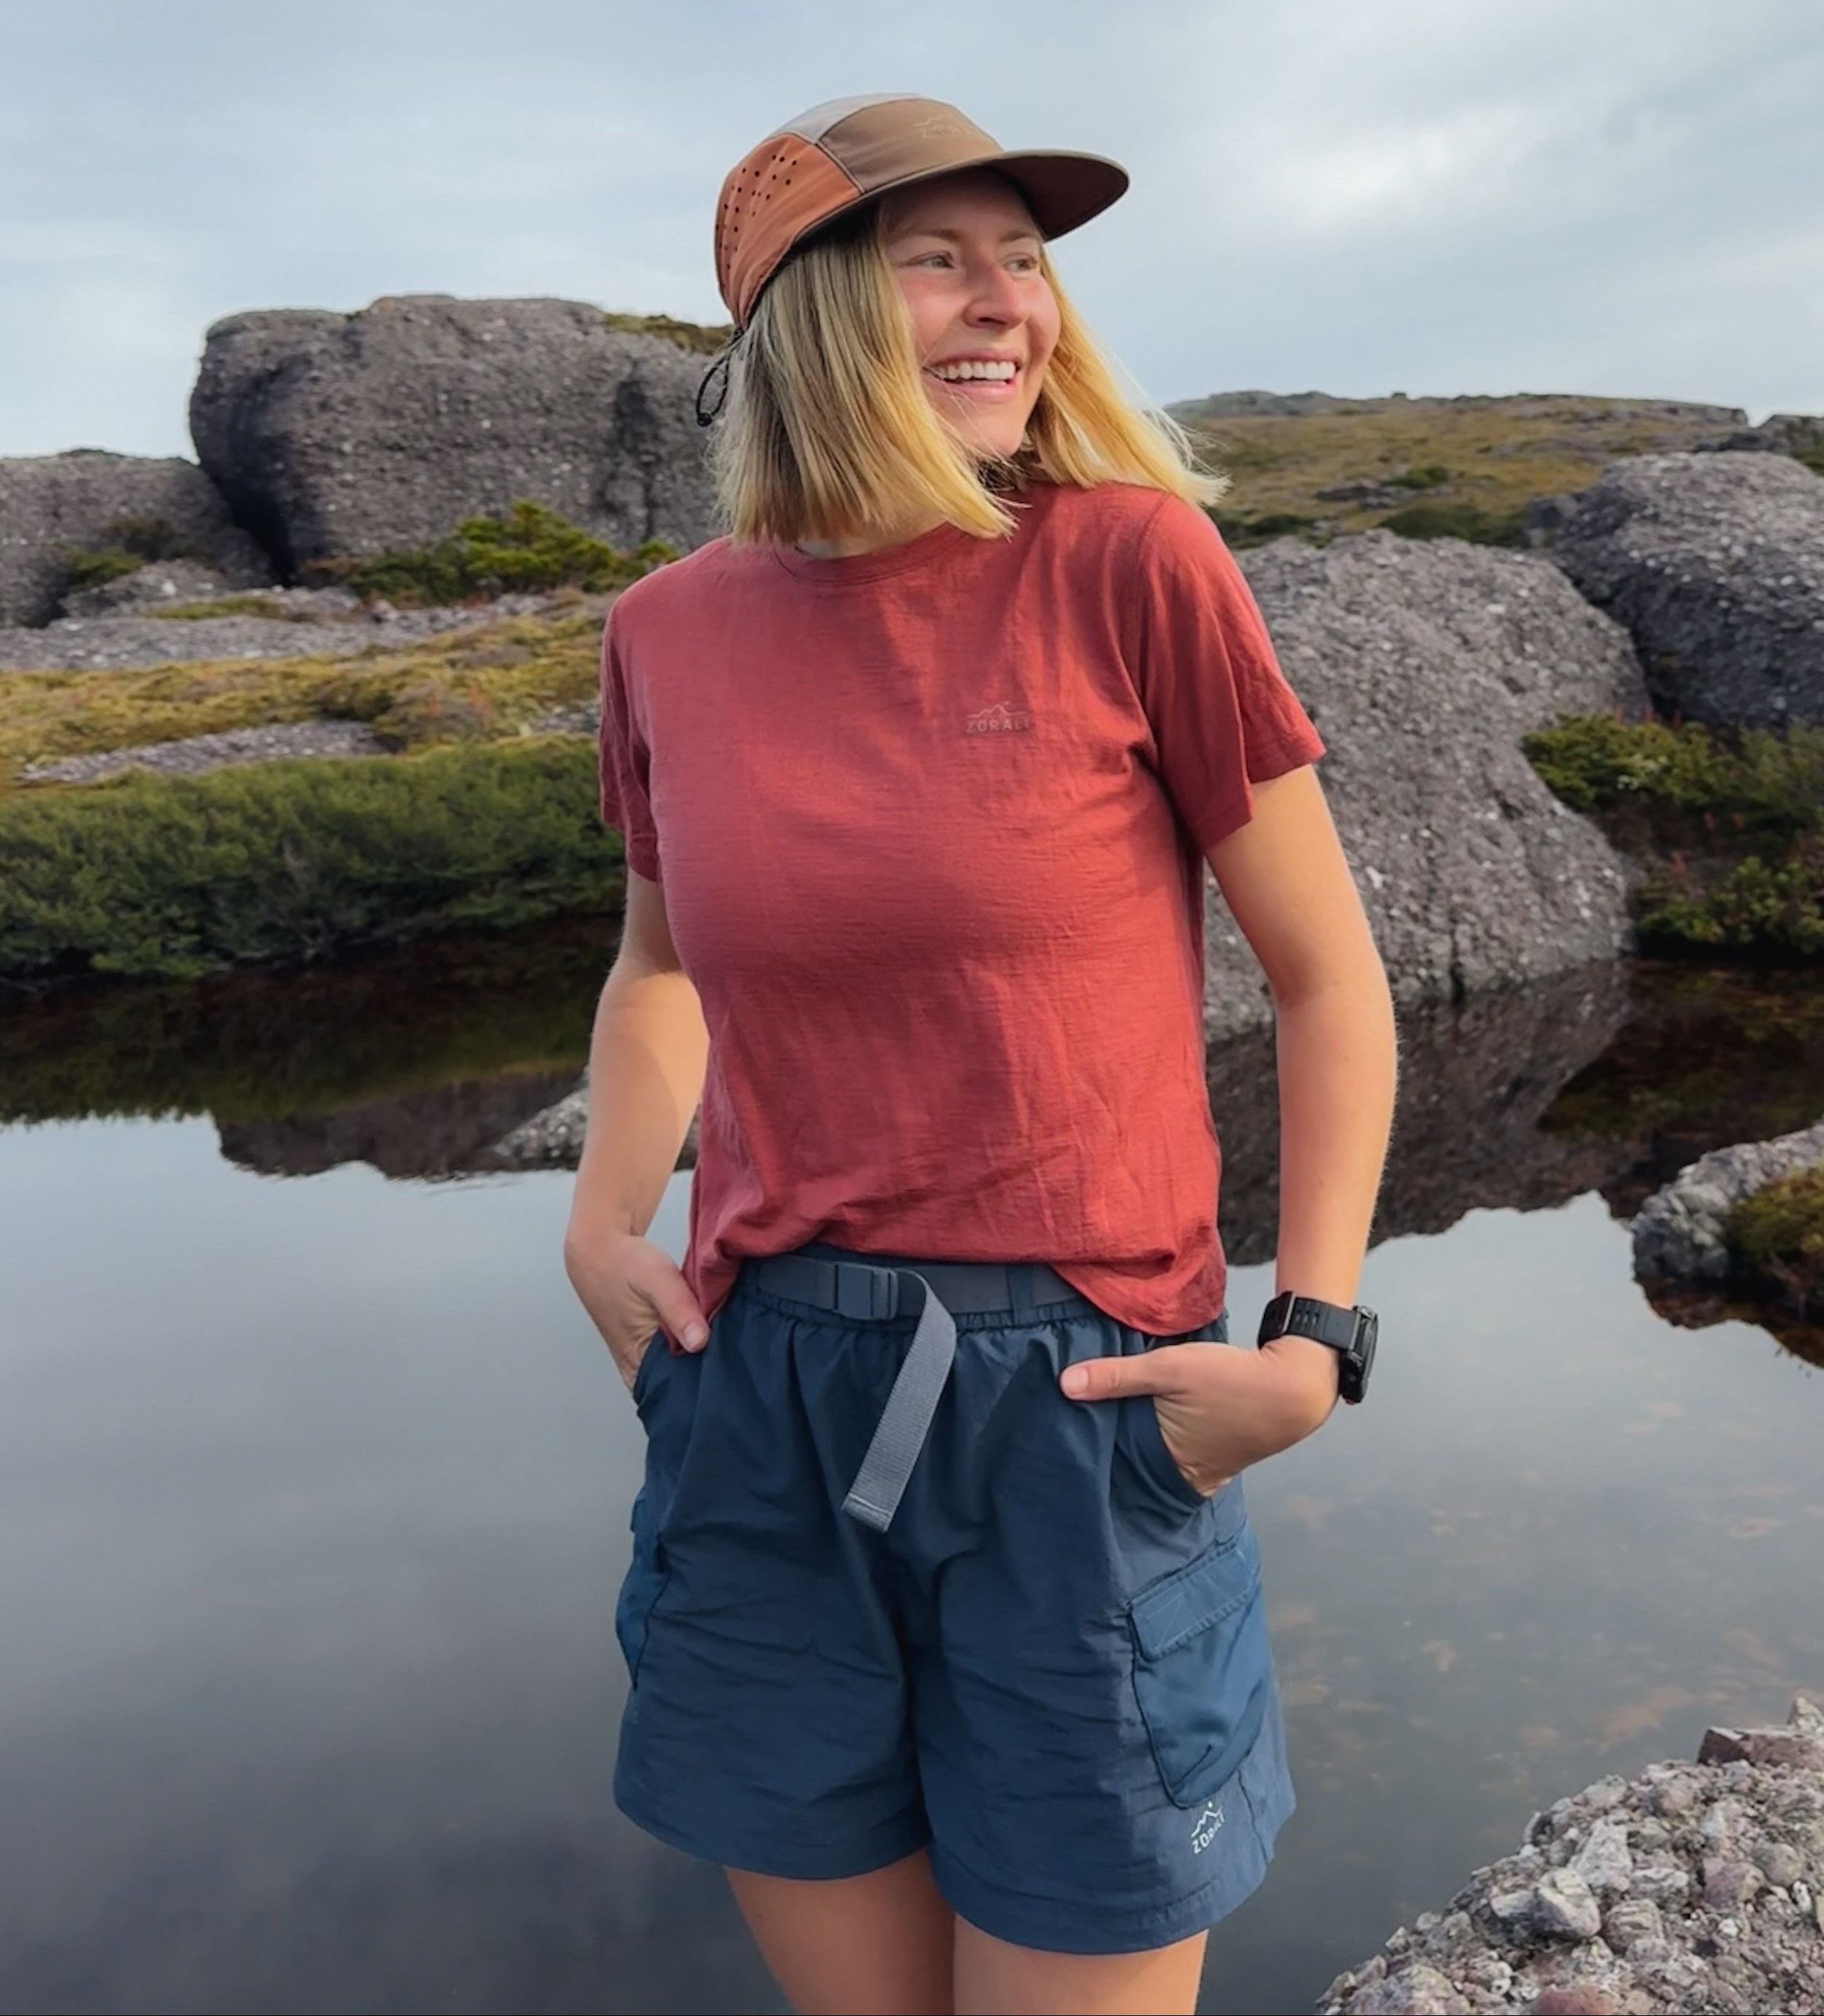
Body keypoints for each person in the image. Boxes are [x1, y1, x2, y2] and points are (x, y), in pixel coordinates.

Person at [564, 93, 1397, 2016]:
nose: (1006, 299)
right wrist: (604, 1218)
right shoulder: (664, 634)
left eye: (1022, 259)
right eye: (936, 259)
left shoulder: (1136, 564)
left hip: (1079, 1402)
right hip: (763, 1393)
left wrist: (1314, 1343)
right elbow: (657, 969)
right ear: (808, 319)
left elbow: (1331, 980)